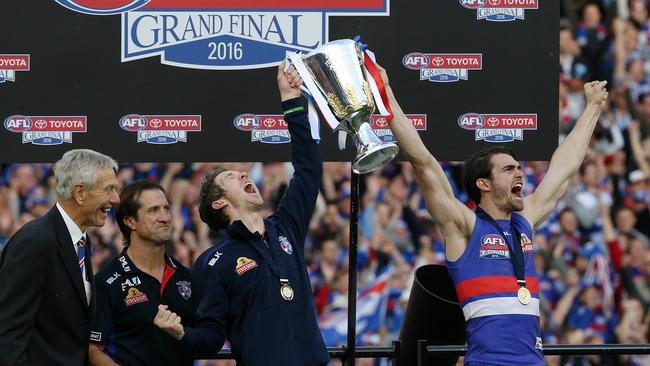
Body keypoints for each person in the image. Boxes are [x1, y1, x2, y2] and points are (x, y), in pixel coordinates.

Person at [380, 63, 608, 365]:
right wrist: (384, 93)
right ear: (483, 184)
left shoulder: (524, 223)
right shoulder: (464, 227)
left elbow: (564, 168)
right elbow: (423, 163)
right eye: (508, 169)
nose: (520, 173)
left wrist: (592, 107)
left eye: (519, 167)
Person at [154, 63, 329, 366]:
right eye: (232, 178)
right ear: (220, 203)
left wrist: (290, 101)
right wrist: (181, 333)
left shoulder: (286, 225)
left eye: (243, 173)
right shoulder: (212, 263)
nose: (246, 175)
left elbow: (309, 170)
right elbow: (209, 337)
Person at [0, 149, 120, 366]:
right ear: (80, 192)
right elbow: (8, 335)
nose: (116, 198)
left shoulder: (82, 240)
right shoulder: (33, 243)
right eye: (109, 189)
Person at [88, 180, 195, 366]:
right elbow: (93, 349)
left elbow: (208, 335)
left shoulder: (186, 277)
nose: (165, 217)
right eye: (153, 210)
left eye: (166, 209)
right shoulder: (107, 281)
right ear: (130, 221)